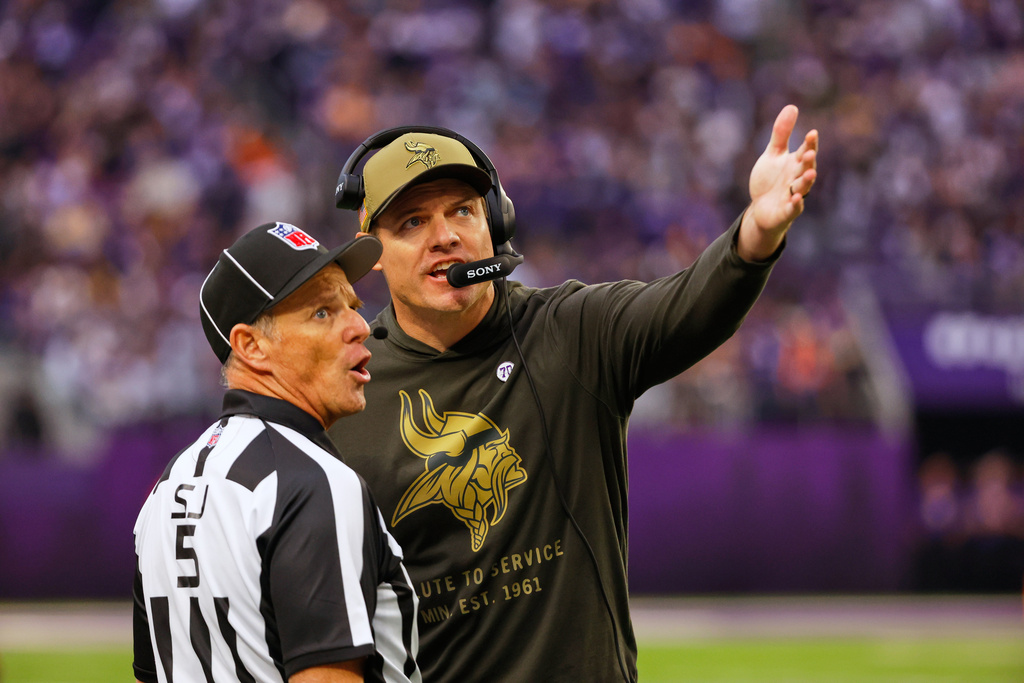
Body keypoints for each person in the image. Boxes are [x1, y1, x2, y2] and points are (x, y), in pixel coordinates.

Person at [328, 105, 818, 682]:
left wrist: (756, 234)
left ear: (495, 223)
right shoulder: (345, 387)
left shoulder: (572, 330)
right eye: (412, 222)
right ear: (372, 250)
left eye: (462, 210)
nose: (445, 236)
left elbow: (687, 308)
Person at [132, 222, 421, 683]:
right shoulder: (314, 484)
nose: (360, 326)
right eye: (323, 312)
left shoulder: (165, 491)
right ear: (251, 346)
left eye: (353, 305)